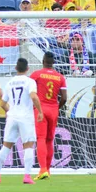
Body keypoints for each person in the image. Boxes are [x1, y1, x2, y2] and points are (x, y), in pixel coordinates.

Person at [0, 58, 44, 185]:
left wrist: (10, 112)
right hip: (25, 117)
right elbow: (33, 96)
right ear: (27, 69)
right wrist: (40, 111)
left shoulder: (10, 83)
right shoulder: (30, 81)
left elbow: (2, 103)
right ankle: (27, 176)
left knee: (6, 146)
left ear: (16, 68)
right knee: (28, 145)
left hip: (12, 117)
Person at [29, 52, 67, 180]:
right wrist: (56, 107)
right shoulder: (60, 77)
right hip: (53, 109)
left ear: (43, 60)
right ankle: (48, 170)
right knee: (50, 140)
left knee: (40, 138)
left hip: (41, 109)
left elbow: (29, 92)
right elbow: (64, 98)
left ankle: (43, 169)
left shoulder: (36, 75)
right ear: (53, 62)